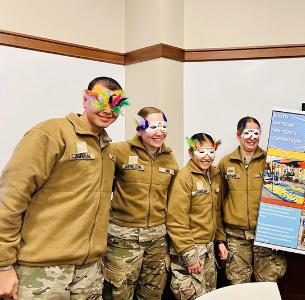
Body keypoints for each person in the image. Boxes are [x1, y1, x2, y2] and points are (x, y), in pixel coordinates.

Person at [0, 77, 129, 299]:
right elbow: (11, 197)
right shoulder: (51, 133)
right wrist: (3, 265)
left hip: (89, 271)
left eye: (116, 104)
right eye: (101, 101)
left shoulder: (107, 149)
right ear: (85, 99)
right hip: (42, 270)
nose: (108, 110)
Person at [102, 107, 178, 299]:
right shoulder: (119, 151)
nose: (159, 132)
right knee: (119, 293)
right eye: (153, 127)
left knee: (152, 293)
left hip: (157, 240)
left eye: (163, 126)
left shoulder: (169, 158)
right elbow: (102, 190)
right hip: (123, 239)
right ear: (140, 128)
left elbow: (174, 197)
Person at [218, 117, 286, 284]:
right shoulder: (225, 163)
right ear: (238, 134)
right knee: (238, 286)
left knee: (267, 285)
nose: (252, 137)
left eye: (256, 133)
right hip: (235, 237)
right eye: (247, 133)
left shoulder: (271, 161)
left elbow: (283, 198)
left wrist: (281, 235)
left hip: (265, 235)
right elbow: (217, 203)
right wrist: (220, 238)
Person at [167, 133, 228, 299]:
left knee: (209, 296)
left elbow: (216, 212)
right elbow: (176, 220)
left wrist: (219, 241)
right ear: (191, 152)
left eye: (211, 151)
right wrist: (189, 255)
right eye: (201, 152)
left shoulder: (214, 176)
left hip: (209, 251)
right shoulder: (184, 177)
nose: (207, 156)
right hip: (190, 250)